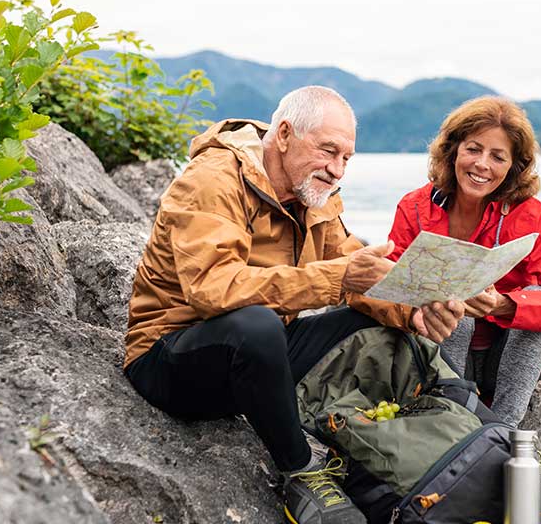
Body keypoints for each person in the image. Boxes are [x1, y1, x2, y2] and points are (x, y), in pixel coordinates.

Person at [123, 86, 463, 524]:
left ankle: (488, 446)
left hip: (258, 364)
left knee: (378, 329)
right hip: (171, 359)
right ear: (284, 134)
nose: (337, 169)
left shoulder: (314, 190)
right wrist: (338, 277)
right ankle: (302, 471)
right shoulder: (214, 178)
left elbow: (354, 272)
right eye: (328, 151)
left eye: (346, 158)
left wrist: (411, 312)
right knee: (259, 326)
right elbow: (212, 288)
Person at [386, 95, 541, 517]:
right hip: (442, 358)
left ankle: (501, 434)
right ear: (453, 152)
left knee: (536, 300)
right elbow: (387, 289)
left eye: (498, 156)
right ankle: (500, 454)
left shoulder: (527, 215)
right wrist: (423, 303)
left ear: (513, 168)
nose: (482, 164)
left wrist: (505, 305)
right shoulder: (415, 207)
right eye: (473, 149)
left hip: (507, 360)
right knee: (453, 311)